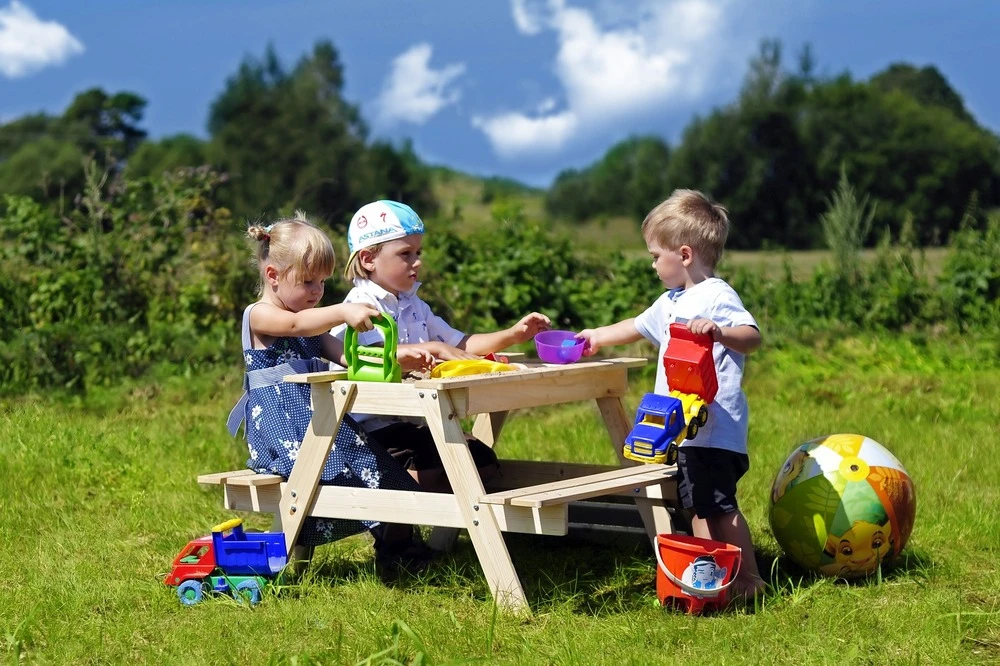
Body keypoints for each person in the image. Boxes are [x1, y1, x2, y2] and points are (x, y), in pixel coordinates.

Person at [576, 189, 766, 602]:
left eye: (655, 255)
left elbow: (752, 337)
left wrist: (718, 332)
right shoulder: (670, 301)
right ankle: (713, 577)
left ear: (684, 255)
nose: (652, 264)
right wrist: (596, 337)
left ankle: (749, 580)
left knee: (719, 506)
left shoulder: (716, 296)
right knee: (696, 505)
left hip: (713, 430)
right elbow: (636, 325)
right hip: (683, 431)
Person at [227, 210, 434, 566]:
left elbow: (352, 359)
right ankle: (388, 544)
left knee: (382, 467)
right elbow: (296, 325)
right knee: (337, 473)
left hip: (320, 423)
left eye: (322, 282)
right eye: (308, 281)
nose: (317, 291)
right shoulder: (259, 314)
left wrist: (400, 359)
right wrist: (342, 311)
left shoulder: (313, 326)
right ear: (273, 276)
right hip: (284, 430)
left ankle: (397, 546)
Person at [331, 200, 551, 492]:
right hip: (370, 428)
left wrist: (512, 334)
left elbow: (461, 344)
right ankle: (402, 517)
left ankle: (446, 515)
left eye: (418, 253)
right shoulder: (359, 306)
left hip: (417, 420)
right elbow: (376, 358)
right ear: (369, 259)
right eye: (406, 254)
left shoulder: (415, 305)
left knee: (483, 462)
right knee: (434, 469)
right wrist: (434, 349)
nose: (417, 262)